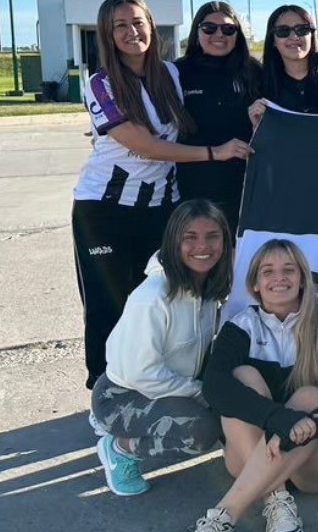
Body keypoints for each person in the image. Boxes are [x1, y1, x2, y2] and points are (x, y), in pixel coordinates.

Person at [72, 0, 250, 390]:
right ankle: (105, 391)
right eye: (120, 25)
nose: (131, 32)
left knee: (164, 296)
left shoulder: (170, 74)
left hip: (161, 208)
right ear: (107, 34)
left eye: (138, 22)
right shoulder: (100, 83)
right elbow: (144, 146)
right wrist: (214, 153)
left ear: (151, 27)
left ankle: (157, 380)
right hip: (104, 210)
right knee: (108, 303)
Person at [170, 238, 318, 532]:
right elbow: (215, 386)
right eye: (268, 271)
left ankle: (222, 518)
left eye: (289, 270)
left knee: (309, 397)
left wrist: (308, 425)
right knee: (241, 377)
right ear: (255, 284)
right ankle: (276, 498)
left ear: (302, 279)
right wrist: (280, 421)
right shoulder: (241, 325)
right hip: (256, 454)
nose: (279, 278)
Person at [91, 201, 232, 496]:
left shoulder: (207, 288)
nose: (202, 246)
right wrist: (200, 393)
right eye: (190, 237)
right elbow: (142, 374)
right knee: (200, 432)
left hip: (173, 387)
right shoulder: (152, 298)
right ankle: (120, 447)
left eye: (212, 236)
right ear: (173, 241)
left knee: (232, 408)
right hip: (121, 395)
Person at [173, 1, 261, 232]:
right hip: (192, 189)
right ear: (196, 31)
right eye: (209, 28)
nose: (219, 34)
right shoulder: (176, 72)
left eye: (228, 29)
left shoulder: (254, 71)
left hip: (246, 188)